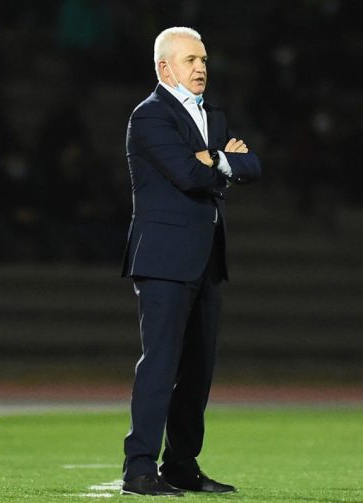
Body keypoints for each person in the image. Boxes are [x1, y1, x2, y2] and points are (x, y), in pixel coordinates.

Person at [119, 26, 262, 497]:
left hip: (206, 257)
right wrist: (223, 163)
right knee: (160, 365)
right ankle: (139, 469)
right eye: (190, 60)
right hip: (164, 257)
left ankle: (181, 464)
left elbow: (252, 166)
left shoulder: (212, 116)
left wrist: (211, 158)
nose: (201, 68)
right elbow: (186, 174)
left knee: (198, 371)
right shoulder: (150, 115)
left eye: (203, 60)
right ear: (165, 68)